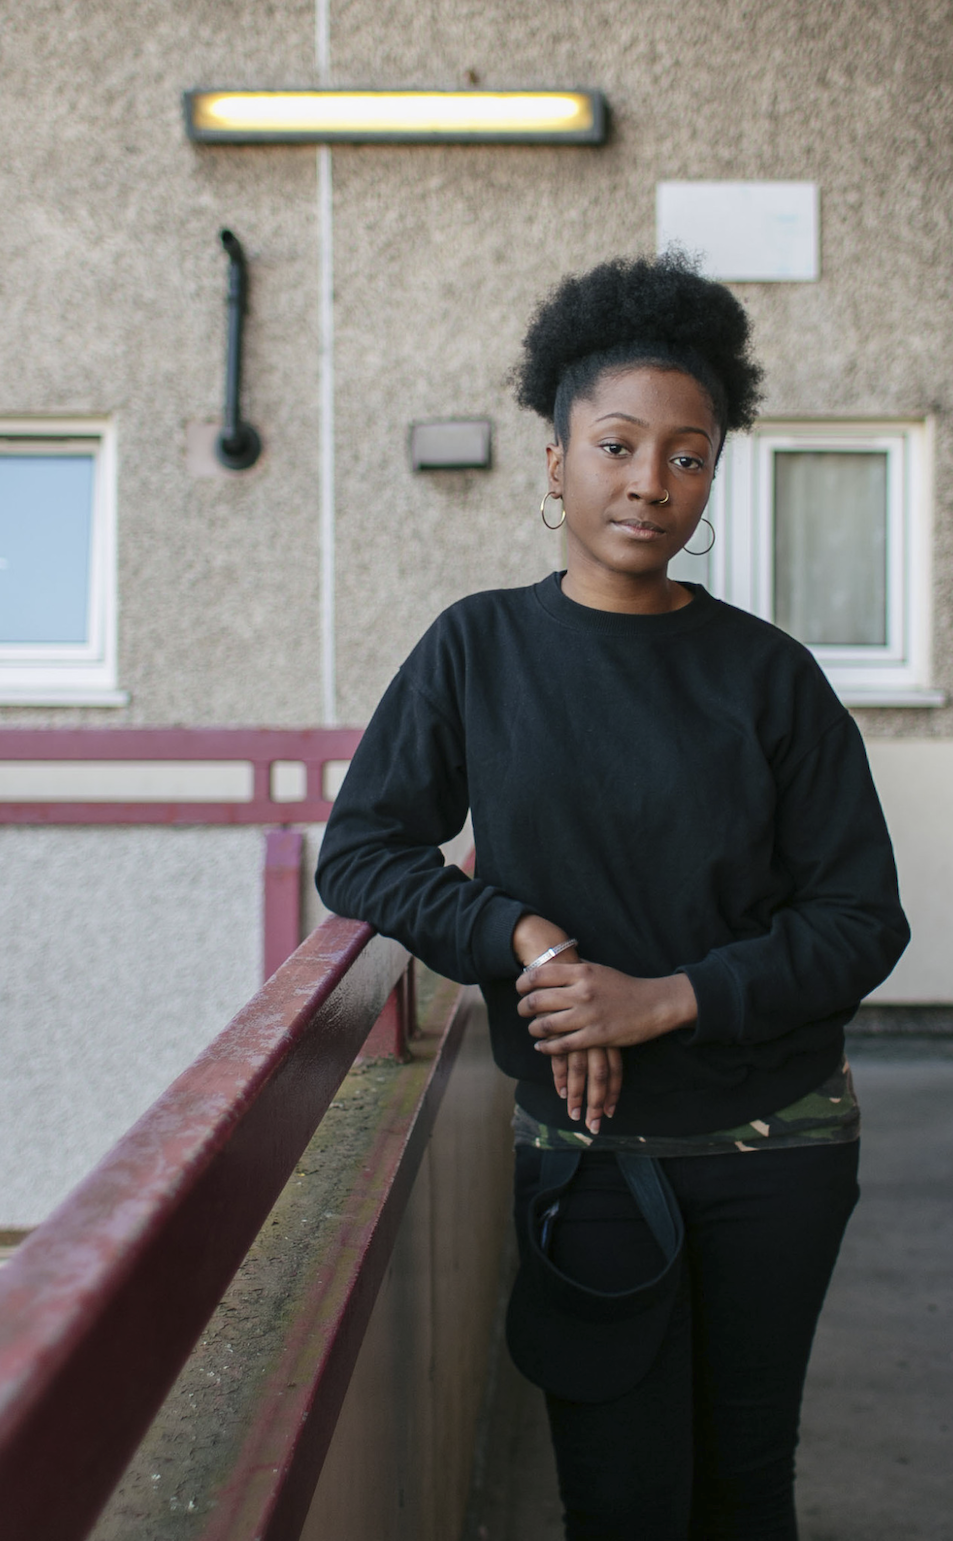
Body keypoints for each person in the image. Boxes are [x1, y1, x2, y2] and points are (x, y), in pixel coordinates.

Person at [316, 254, 910, 1540]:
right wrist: (524, 937)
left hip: (781, 1144)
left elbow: (862, 919)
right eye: (619, 445)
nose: (651, 481)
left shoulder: (770, 676)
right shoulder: (478, 648)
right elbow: (361, 851)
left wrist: (663, 999)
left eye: (688, 456)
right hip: (584, 1148)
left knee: (745, 1489)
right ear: (556, 459)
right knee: (621, 1501)